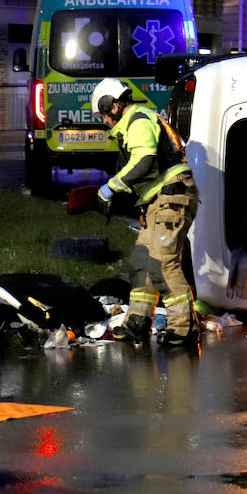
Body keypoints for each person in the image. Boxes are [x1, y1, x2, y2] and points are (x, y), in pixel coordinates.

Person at [91, 77, 201, 347]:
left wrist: (111, 187)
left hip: (172, 196)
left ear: (114, 106)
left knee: (163, 263)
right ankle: (137, 323)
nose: (104, 120)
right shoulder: (136, 124)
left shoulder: (138, 121)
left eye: (103, 113)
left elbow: (144, 161)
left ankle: (183, 328)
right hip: (159, 201)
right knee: (142, 261)